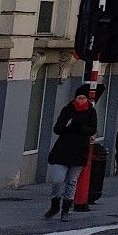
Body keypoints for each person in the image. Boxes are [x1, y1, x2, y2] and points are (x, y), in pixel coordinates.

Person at [44, 87, 98, 220]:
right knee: (58, 179)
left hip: (79, 151)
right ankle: (55, 204)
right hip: (63, 150)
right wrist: (66, 126)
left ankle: (66, 209)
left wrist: (80, 127)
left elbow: (92, 130)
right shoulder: (67, 110)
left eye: (83, 98)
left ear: (87, 99)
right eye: (78, 98)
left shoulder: (91, 112)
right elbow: (57, 128)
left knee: (72, 181)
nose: (80, 101)